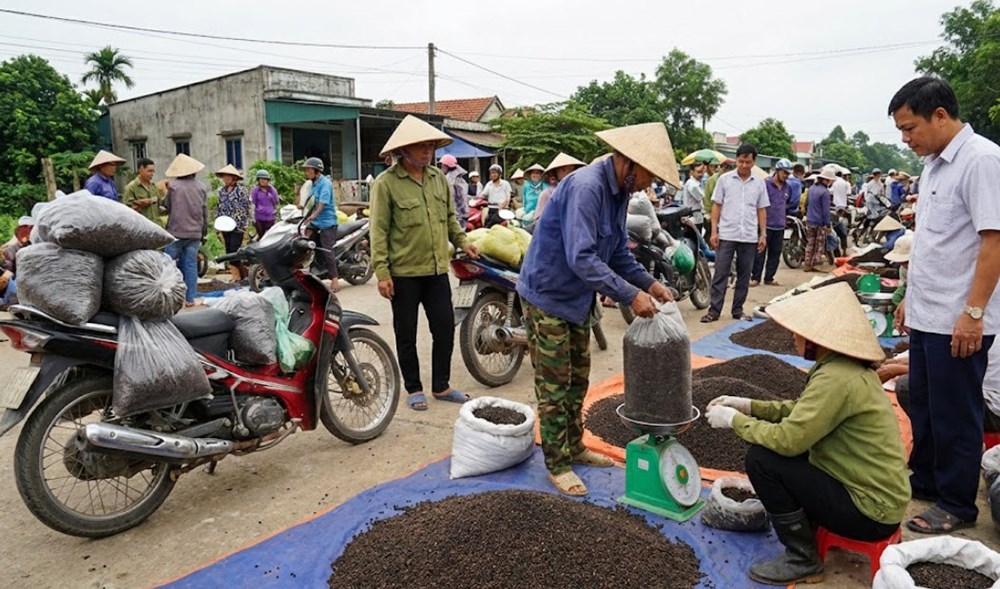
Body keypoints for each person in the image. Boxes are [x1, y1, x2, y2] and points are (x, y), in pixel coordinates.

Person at [705, 283, 909, 585]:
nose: (793, 337)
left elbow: (788, 440)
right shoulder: (843, 368)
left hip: (869, 512)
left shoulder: (837, 379)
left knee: (763, 459)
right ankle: (809, 534)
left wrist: (735, 421)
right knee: (783, 453)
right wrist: (749, 406)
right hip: (875, 497)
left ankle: (803, 558)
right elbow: (801, 411)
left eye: (799, 332)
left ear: (819, 338)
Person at [518, 122, 676, 496]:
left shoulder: (621, 192)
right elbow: (582, 258)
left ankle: (574, 447)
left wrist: (649, 284)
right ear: (630, 163)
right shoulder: (588, 187)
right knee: (554, 385)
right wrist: (628, 296)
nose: (647, 186)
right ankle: (557, 463)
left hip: (576, 300)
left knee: (578, 381)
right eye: (648, 176)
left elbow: (618, 252)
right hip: (548, 295)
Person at [890, 76, 1000, 534]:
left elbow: (993, 241)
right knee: (929, 403)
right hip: (929, 313)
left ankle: (957, 503)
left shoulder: (982, 161)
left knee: (956, 411)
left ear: (940, 115)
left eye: (910, 127)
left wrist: (973, 313)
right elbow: (934, 241)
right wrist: (908, 299)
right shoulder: (934, 165)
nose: (906, 138)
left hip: (960, 317)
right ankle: (930, 480)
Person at [370, 115, 479, 412]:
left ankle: (441, 386)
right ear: (404, 150)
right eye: (421, 146)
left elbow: (450, 221)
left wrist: (463, 242)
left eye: (430, 146)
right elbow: (377, 230)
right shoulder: (386, 184)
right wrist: (382, 272)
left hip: (436, 271)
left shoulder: (437, 180)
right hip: (403, 274)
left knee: (444, 327)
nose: (427, 151)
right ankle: (414, 388)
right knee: (406, 334)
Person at [701, 144, 768, 323]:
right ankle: (714, 311)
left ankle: (737, 310)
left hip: (748, 236)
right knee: (720, 273)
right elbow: (716, 205)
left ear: (754, 162)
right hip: (727, 234)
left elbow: (761, 209)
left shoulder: (759, 183)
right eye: (741, 161)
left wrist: (763, 234)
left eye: (748, 162)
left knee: (744, 275)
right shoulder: (724, 180)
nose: (744, 165)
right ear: (736, 160)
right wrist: (714, 231)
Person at [163, 154, 208, 306]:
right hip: (195, 232)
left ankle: (170, 297)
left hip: (176, 231)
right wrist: (203, 232)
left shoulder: (173, 187)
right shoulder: (201, 187)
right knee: (190, 265)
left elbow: (167, 206)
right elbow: (204, 211)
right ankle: (189, 299)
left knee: (169, 265)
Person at [751, 159, 793, 287]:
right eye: (784, 172)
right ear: (777, 171)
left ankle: (769, 277)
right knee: (759, 253)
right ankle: (755, 278)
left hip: (780, 225)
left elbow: (788, 203)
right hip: (765, 225)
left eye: (788, 173)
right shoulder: (765, 184)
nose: (786, 175)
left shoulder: (788, 187)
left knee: (775, 253)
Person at [300, 157, 340, 291]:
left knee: (327, 249)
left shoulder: (325, 184)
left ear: (316, 171)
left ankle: (335, 280)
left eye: (309, 170)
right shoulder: (313, 183)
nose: (307, 172)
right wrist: (302, 212)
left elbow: (322, 204)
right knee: (304, 243)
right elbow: (310, 202)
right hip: (315, 222)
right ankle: (310, 273)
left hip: (327, 222)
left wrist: (312, 216)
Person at [215, 165, 252, 282]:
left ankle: (237, 276)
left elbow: (245, 208)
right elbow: (219, 207)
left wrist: (242, 225)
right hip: (224, 224)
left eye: (228, 177)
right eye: (224, 177)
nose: (225, 179)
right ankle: (241, 274)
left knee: (234, 249)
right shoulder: (222, 191)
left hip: (238, 225)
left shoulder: (241, 191)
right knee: (228, 250)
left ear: (234, 178)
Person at [535, 153, 586, 222]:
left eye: (572, 169)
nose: (569, 173)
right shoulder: (547, 193)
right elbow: (540, 219)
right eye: (563, 169)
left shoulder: (580, 190)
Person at [803, 167, 835, 272]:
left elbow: (806, 204)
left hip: (810, 220)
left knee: (810, 242)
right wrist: (828, 224)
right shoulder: (825, 192)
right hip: (819, 222)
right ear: (827, 180)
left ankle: (807, 264)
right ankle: (815, 264)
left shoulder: (811, 188)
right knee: (819, 244)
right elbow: (826, 211)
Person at [122, 157, 165, 225]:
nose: (152, 174)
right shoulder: (131, 188)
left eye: (153, 171)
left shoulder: (153, 187)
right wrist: (139, 205)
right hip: (142, 227)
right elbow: (126, 211)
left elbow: (160, 206)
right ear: (141, 170)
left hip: (157, 226)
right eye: (149, 171)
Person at [439, 154, 469, 230]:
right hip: (461, 213)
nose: (441, 167)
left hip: (456, 214)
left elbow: (450, 198)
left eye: (443, 165)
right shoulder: (459, 179)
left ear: (447, 166)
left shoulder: (451, 179)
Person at [251, 169, 280, 237]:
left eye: (265, 179)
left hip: (270, 218)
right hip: (259, 217)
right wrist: (252, 218)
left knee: (270, 236)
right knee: (261, 236)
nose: (263, 181)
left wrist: (276, 215)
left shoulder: (272, 190)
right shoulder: (255, 190)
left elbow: (276, 203)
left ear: (268, 180)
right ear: (258, 180)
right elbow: (253, 204)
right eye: (261, 179)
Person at [681, 163, 706, 234]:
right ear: (691, 172)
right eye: (698, 172)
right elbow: (701, 197)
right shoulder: (692, 184)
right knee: (696, 240)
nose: (700, 174)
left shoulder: (694, 183)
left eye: (702, 172)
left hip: (694, 216)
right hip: (693, 216)